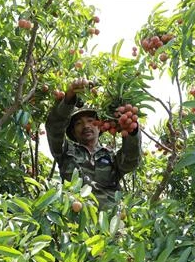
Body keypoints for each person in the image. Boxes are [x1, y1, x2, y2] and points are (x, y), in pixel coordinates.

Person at [45, 79, 142, 208]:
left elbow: (131, 160)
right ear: (73, 132)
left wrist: (132, 130)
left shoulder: (111, 157)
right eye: (79, 123)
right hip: (74, 221)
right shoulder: (65, 150)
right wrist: (68, 99)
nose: (86, 126)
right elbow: (54, 128)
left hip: (109, 223)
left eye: (91, 121)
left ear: (99, 127)